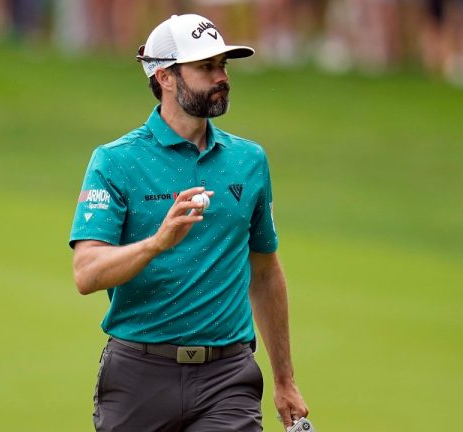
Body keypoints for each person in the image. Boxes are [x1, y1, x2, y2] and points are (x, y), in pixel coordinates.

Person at [69, 13, 309, 432]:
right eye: (205, 67)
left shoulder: (249, 161)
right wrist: (156, 243)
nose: (221, 77)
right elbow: (87, 273)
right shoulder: (116, 161)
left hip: (228, 377)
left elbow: (266, 271)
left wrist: (285, 380)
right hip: (138, 374)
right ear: (164, 76)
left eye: (223, 66)